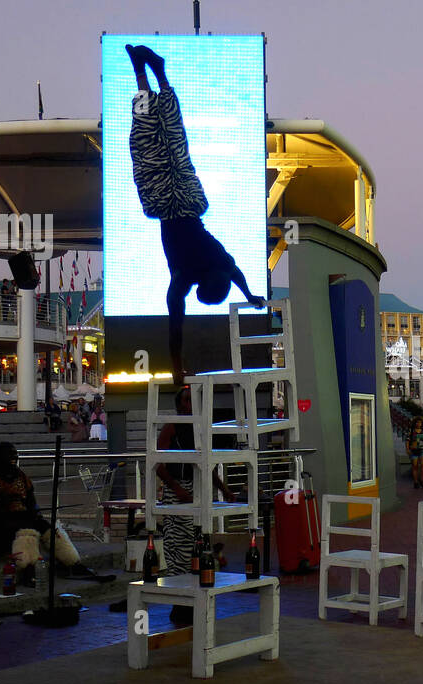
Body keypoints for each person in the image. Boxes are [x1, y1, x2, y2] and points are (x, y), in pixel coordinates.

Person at [125, 44, 266, 386]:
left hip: (186, 200)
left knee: (174, 140)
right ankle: (144, 75)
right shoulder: (183, 278)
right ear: (200, 287)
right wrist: (176, 367)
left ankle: (157, 72)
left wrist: (251, 298)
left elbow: (237, 275)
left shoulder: (219, 260)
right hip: (163, 203)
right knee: (146, 137)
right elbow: (176, 327)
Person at [157, 386, 238, 621]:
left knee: (197, 542)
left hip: (196, 489)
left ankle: (192, 602)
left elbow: (207, 466)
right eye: (188, 400)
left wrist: (224, 489)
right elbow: (159, 463)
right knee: (177, 545)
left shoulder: (199, 429)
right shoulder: (172, 428)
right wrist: (176, 488)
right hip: (179, 490)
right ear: (181, 405)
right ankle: (180, 604)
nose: (193, 403)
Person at [406, 416, 423, 489]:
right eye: (417, 422)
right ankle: (416, 482)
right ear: (415, 423)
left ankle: (422, 480)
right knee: (415, 466)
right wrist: (407, 449)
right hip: (414, 450)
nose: (418, 424)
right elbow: (407, 440)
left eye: (420, 422)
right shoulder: (411, 430)